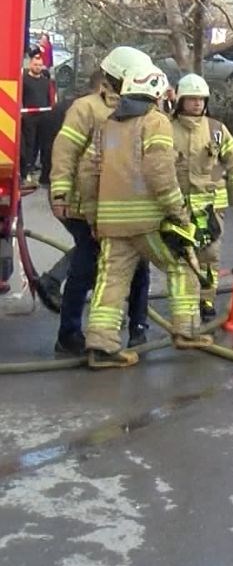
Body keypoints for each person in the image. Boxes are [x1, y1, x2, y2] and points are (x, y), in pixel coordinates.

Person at [77, 61, 207, 369]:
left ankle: (101, 346)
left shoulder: (106, 125)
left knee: (110, 281)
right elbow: (159, 171)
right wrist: (178, 211)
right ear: (154, 91)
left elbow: (87, 172)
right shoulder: (155, 122)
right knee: (182, 265)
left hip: (111, 223)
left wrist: (94, 216)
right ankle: (186, 331)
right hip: (148, 221)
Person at [49, 50, 153, 357]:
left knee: (138, 267)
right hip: (85, 206)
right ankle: (69, 333)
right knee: (85, 266)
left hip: (126, 205)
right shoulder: (87, 108)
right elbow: (65, 151)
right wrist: (60, 193)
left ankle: (137, 328)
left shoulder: (138, 108)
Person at [171, 74, 233, 321]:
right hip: (178, 208)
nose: (196, 104)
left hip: (211, 207)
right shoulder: (165, 129)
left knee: (210, 257)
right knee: (181, 258)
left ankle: (207, 298)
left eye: (200, 99)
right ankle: (184, 306)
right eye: (191, 99)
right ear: (180, 100)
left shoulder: (216, 130)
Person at [19, 47, 54, 187]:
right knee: (29, 144)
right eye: (35, 65)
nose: (38, 67)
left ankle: (39, 170)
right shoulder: (24, 80)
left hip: (43, 117)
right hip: (28, 118)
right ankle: (26, 169)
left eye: (40, 65)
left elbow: (50, 98)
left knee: (42, 144)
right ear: (30, 64)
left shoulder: (46, 81)